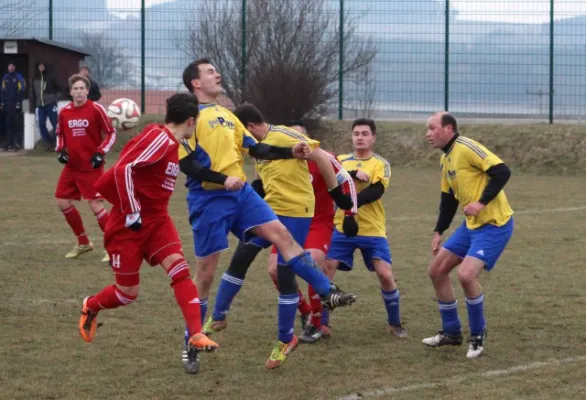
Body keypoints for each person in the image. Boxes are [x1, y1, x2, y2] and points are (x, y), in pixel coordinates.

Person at [178, 59, 357, 370]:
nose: (217, 73)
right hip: (208, 200)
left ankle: (327, 293)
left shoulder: (228, 116)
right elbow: (187, 165)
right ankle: (191, 342)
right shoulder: (189, 119)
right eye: (209, 71)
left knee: (281, 238)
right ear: (195, 82)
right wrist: (222, 180)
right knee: (205, 275)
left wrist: (292, 153)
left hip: (242, 195)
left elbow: (259, 150)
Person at [78, 93, 218, 375]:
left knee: (179, 269)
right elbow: (123, 169)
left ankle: (195, 333)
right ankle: (91, 305)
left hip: (157, 222)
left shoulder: (174, 144)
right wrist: (131, 212)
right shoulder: (159, 137)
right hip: (129, 225)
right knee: (127, 294)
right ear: (190, 121)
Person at [422, 112, 514, 359]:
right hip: (471, 226)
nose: (427, 134)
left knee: (466, 275)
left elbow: (502, 171)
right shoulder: (446, 159)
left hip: (495, 224)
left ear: (448, 128)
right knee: (436, 271)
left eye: (432, 128)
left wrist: (481, 203)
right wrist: (438, 231)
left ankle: (478, 335)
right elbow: (448, 199)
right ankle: (451, 333)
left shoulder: (467, 147)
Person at [265, 121, 357, 343]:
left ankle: (316, 323)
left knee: (312, 262)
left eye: (299, 139)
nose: (296, 144)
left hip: (318, 221)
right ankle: (305, 310)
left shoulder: (322, 157)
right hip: (291, 221)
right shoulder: (280, 159)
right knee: (275, 271)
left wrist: (350, 214)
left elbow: (347, 182)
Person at [323, 118, 407, 338]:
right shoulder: (340, 161)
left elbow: (376, 192)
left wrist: (350, 202)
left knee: (385, 274)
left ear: (373, 138)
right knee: (326, 269)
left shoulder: (380, 164)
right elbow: (328, 182)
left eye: (364, 133)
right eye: (356, 133)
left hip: (372, 229)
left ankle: (395, 323)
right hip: (342, 227)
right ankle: (321, 324)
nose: (360, 137)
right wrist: (350, 175)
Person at [54, 74, 115, 261]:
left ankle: (114, 247)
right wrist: (60, 150)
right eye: (75, 88)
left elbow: (110, 133)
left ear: (87, 91)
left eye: (82, 88)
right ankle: (83, 242)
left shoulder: (96, 109)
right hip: (72, 166)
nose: (79, 91)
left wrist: (100, 152)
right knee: (62, 201)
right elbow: (60, 134)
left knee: (96, 204)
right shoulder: (64, 111)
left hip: (91, 167)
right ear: (71, 91)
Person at [32, 61, 61, 149]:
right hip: (40, 105)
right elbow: (33, 92)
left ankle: (58, 142)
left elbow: (59, 88)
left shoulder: (51, 76)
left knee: (55, 124)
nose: (41, 67)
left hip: (51, 104)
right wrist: (34, 104)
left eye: (42, 66)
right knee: (41, 124)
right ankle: (48, 142)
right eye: (39, 66)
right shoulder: (35, 78)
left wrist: (55, 98)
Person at [1, 62, 26, 151]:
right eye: (9, 66)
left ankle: (18, 143)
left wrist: (18, 102)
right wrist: (2, 102)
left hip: (16, 104)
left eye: (12, 66)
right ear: (7, 67)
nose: (10, 68)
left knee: (17, 124)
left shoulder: (18, 77)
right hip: (7, 104)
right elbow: (2, 91)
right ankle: (9, 143)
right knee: (8, 124)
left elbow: (22, 89)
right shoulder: (5, 77)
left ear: (14, 67)